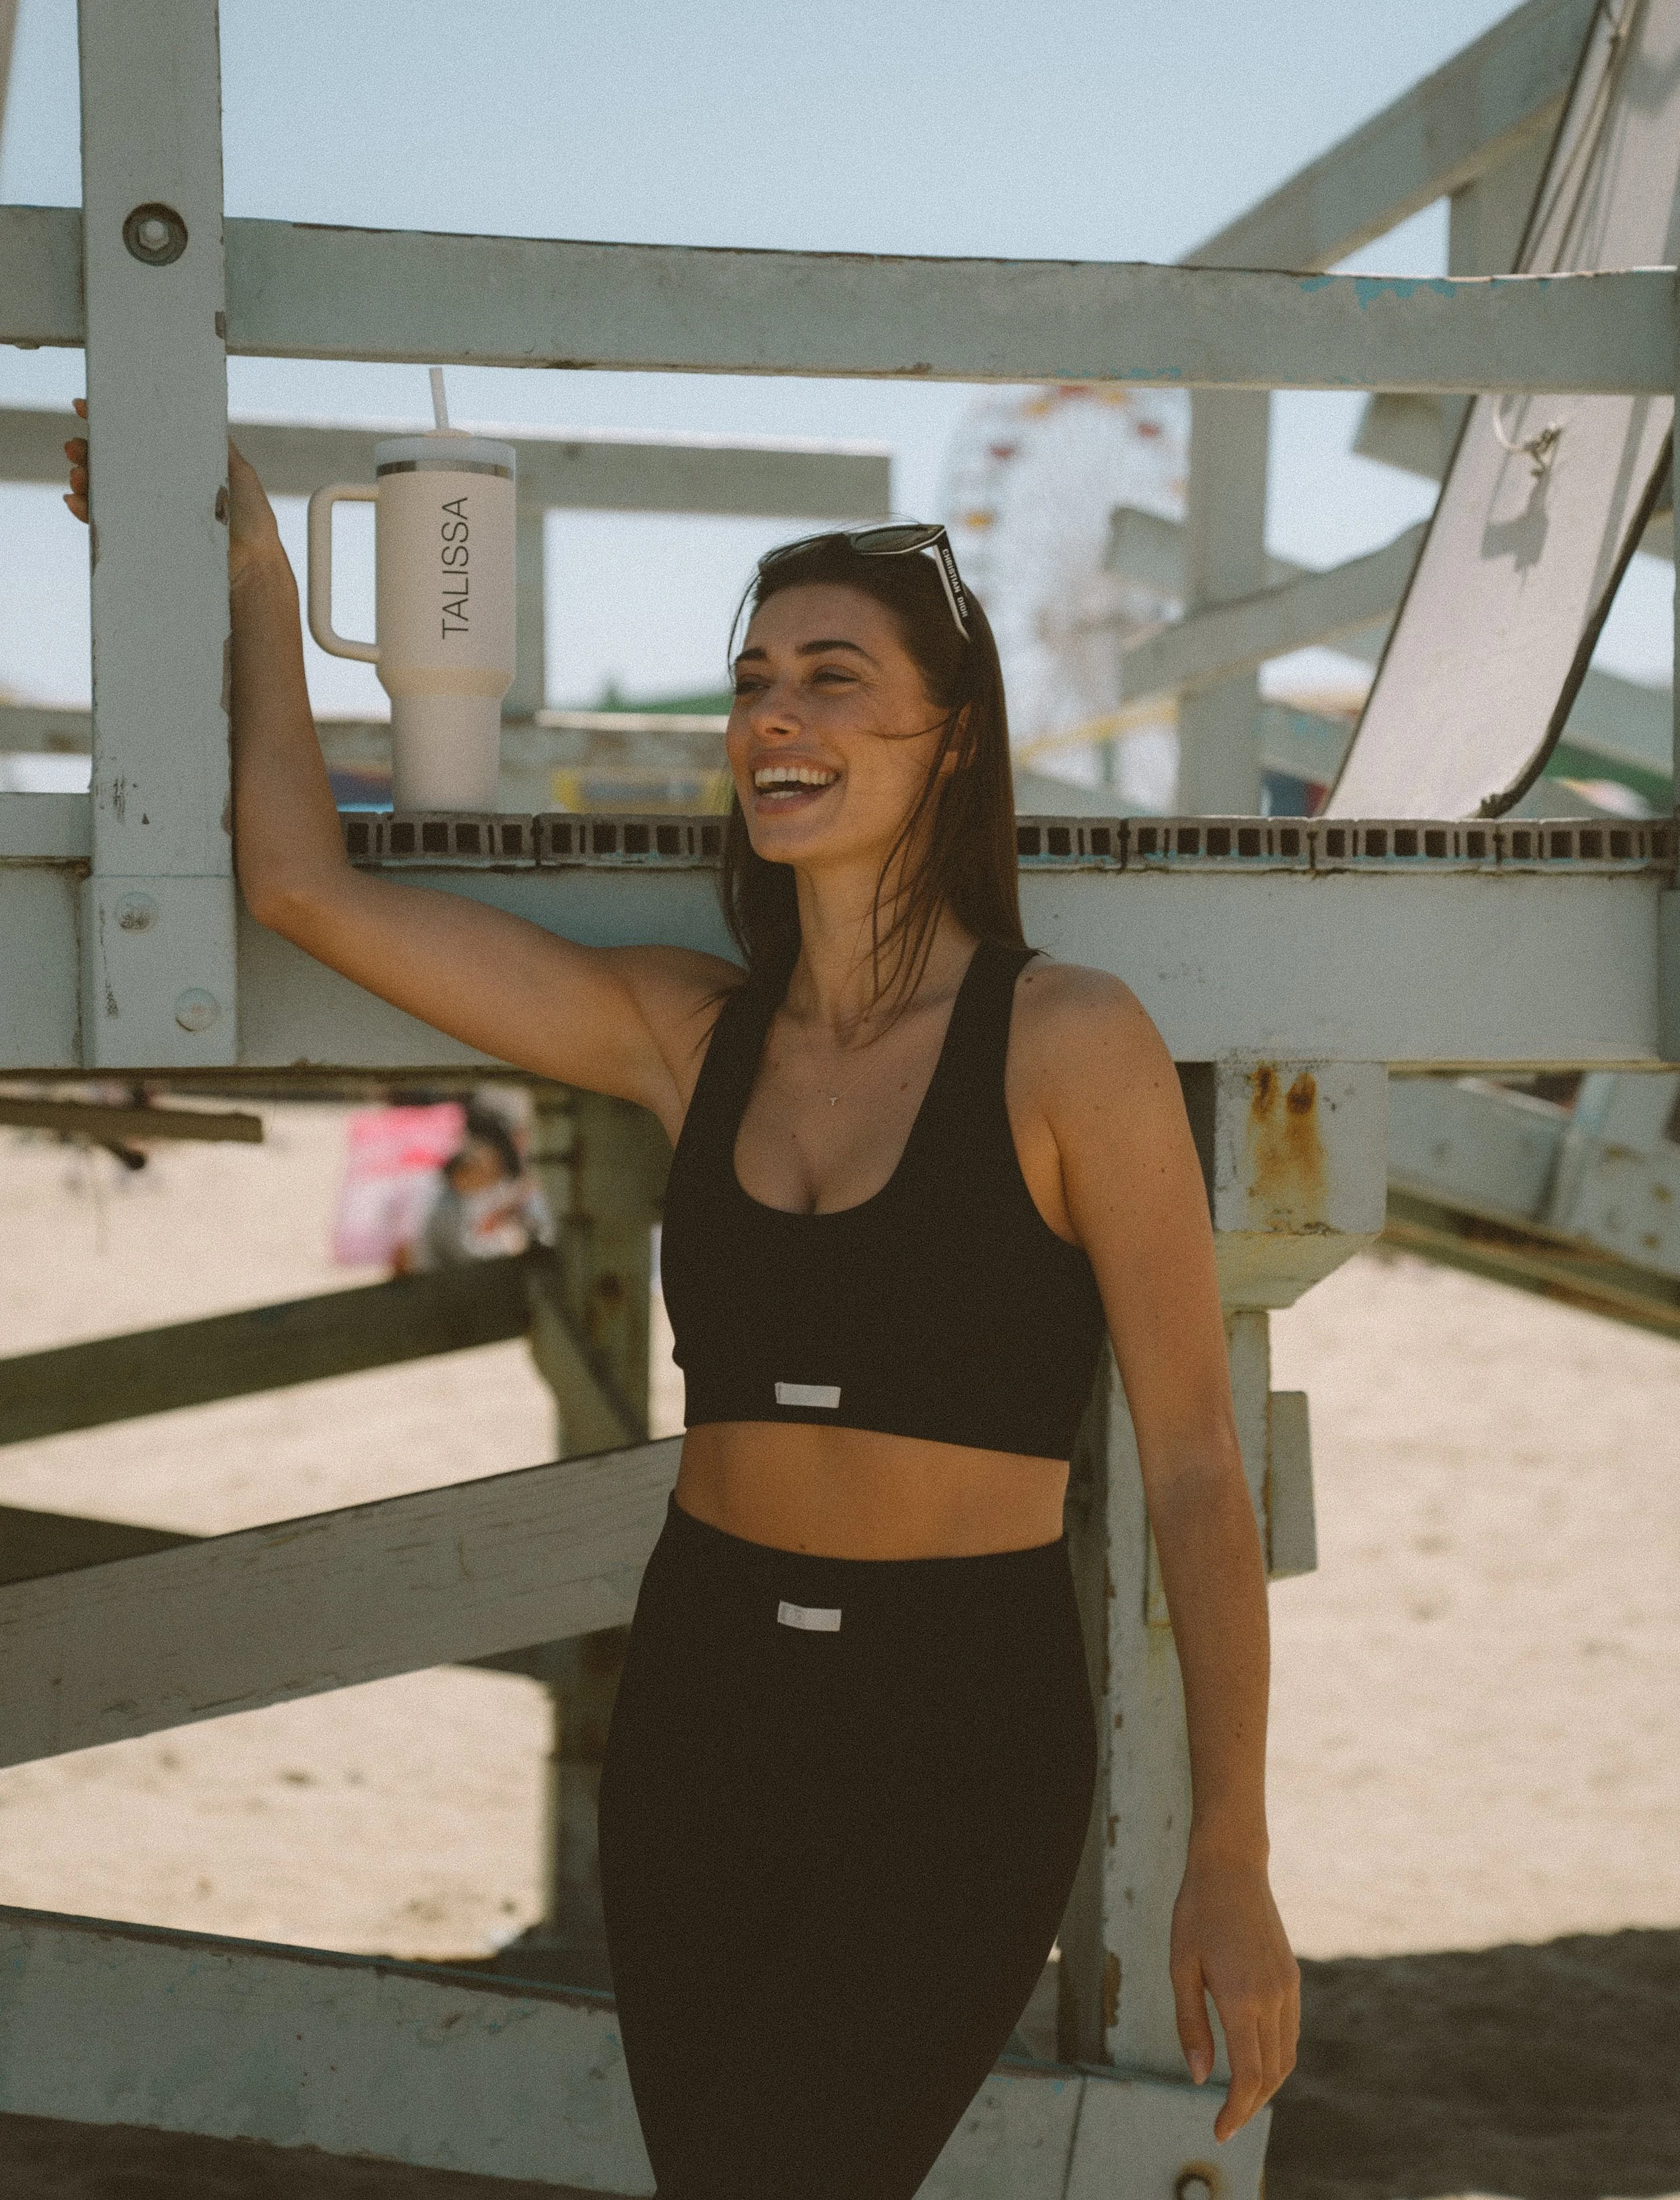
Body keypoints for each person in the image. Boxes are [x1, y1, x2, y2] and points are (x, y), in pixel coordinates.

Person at [66, 405, 1300, 2198]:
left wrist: (1231, 1857)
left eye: (829, 678)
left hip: (953, 1724)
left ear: (951, 739)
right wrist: (251, 567)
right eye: (749, 685)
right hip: (711, 1695)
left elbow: (1192, 1459)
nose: (773, 722)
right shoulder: (684, 1034)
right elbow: (298, 885)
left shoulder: (1067, 1045)